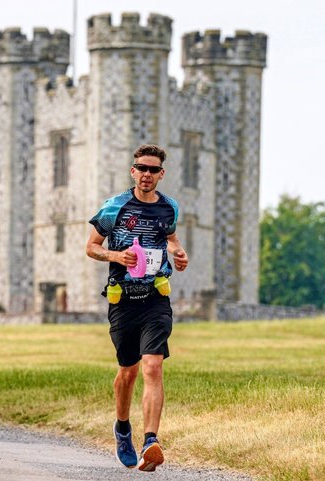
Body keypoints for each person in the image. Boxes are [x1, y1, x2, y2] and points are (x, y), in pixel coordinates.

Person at [86, 144, 189, 472]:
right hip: (123, 300)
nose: (146, 174)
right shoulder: (115, 207)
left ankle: (150, 441)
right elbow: (91, 247)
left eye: (152, 170)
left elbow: (170, 238)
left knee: (153, 366)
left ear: (161, 174)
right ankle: (122, 428)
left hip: (156, 299)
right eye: (141, 168)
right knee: (128, 372)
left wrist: (179, 252)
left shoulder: (168, 207)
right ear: (133, 171)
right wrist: (117, 256)